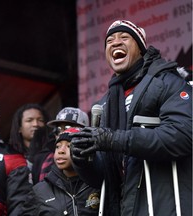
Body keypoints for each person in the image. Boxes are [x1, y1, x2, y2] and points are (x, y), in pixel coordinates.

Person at [70, 20, 192, 216]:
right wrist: (82, 160)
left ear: (142, 49)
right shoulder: (106, 102)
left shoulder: (169, 82)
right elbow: (104, 176)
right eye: (109, 41)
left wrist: (114, 139)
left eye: (124, 37)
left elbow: (183, 136)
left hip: (163, 207)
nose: (115, 43)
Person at [20, 128, 100, 215]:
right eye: (58, 146)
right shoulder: (40, 191)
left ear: (84, 150)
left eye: (69, 146)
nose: (61, 151)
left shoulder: (98, 184)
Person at [31, 107, 90, 185]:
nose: (62, 133)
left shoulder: (94, 159)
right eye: (58, 129)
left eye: (68, 128)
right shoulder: (42, 158)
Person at [8, 103, 49, 183]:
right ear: (19, 127)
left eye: (40, 120)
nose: (36, 124)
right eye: (29, 120)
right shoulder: (9, 154)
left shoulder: (52, 154)